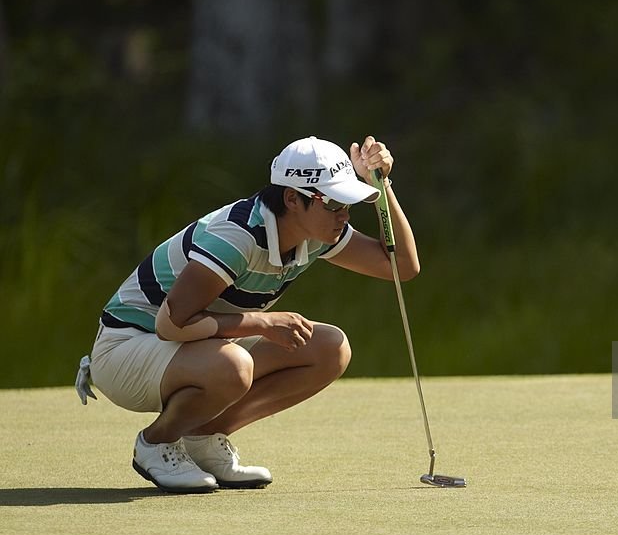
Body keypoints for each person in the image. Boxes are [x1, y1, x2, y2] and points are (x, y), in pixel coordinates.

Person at [74, 135, 419, 494]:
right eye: (333, 202)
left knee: (329, 349)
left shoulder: (318, 233)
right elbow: (171, 323)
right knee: (234, 365)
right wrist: (262, 323)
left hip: (195, 345)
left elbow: (402, 266)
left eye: (349, 202)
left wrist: (380, 184)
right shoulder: (236, 235)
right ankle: (157, 442)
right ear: (291, 198)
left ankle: (204, 435)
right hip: (125, 349)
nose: (344, 214)